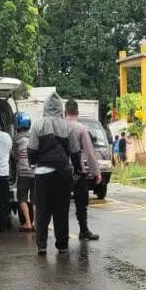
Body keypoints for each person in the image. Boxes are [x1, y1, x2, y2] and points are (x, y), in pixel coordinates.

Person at [27, 92, 81, 255]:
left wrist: (33, 162)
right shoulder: (67, 126)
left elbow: (32, 149)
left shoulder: (38, 125)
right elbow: (75, 151)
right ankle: (62, 245)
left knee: (42, 210)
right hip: (63, 172)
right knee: (61, 210)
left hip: (43, 172)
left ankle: (42, 245)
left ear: (45, 108)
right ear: (60, 109)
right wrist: (78, 169)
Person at [64, 99, 100, 241]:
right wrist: (96, 172)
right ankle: (83, 230)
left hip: (60, 171)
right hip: (77, 172)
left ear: (64, 112)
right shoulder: (81, 129)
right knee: (81, 203)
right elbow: (90, 153)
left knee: (62, 204)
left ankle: (62, 234)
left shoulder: (59, 127)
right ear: (77, 113)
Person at [11, 111, 35, 232]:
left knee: (22, 198)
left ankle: (28, 223)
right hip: (35, 172)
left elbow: (14, 156)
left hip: (24, 173)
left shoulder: (16, 139)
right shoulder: (34, 137)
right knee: (35, 199)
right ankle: (36, 222)